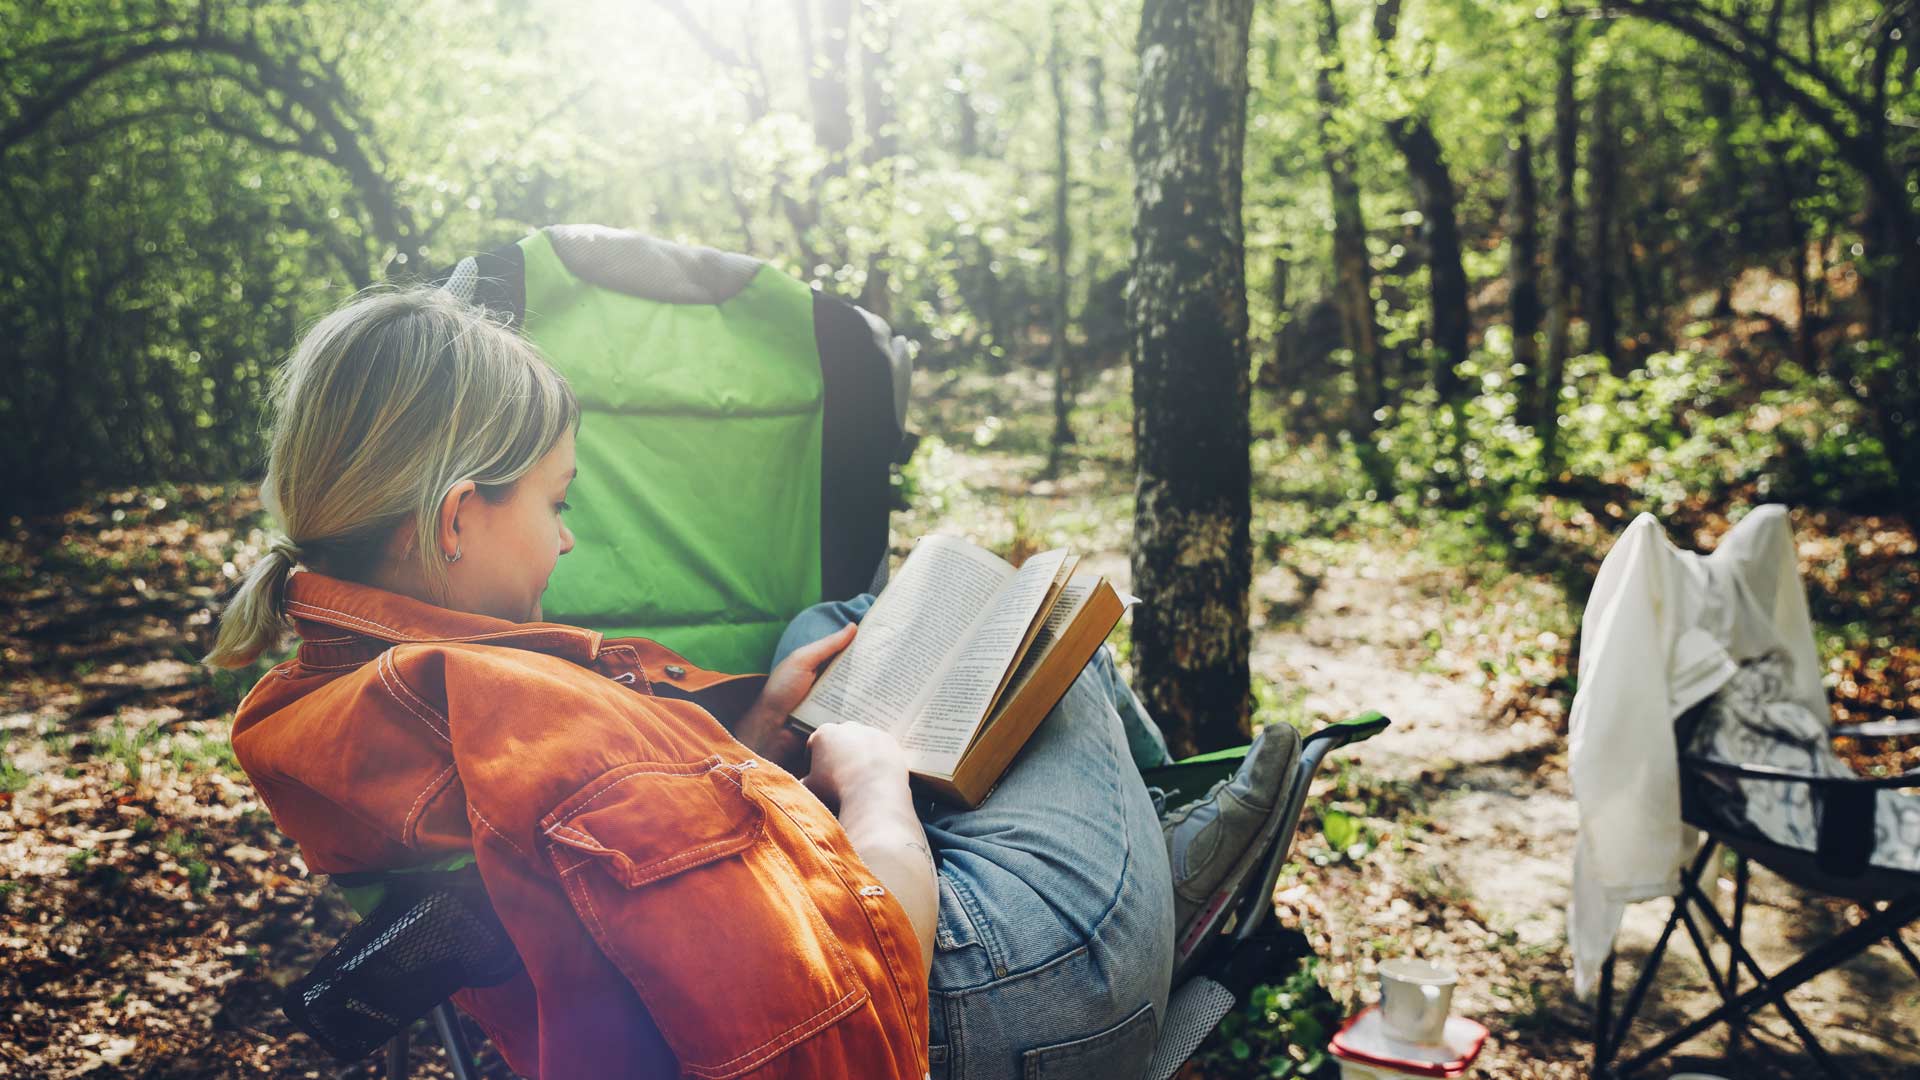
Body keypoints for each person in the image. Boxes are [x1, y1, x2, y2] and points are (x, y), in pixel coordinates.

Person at [204, 286, 1210, 1080]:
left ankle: (1153, 856)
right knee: (1049, 635)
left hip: (831, 939)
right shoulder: (546, 733)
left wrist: (764, 727)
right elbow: (842, 1029)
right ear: (457, 517)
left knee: (835, 626)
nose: (564, 538)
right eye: (555, 501)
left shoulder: (328, 692)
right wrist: (874, 792)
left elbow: (632, 881)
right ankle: (1174, 881)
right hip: (991, 1001)